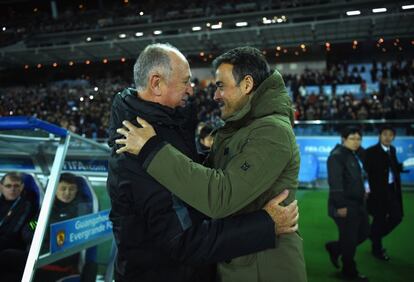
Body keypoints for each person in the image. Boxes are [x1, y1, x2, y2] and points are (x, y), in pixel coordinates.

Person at [107, 43, 299, 282]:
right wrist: (264, 226)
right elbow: (184, 239)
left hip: (260, 268)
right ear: (156, 83)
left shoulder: (268, 131)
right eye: (186, 81)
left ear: (247, 85)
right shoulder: (137, 145)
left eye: (221, 86)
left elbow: (216, 191)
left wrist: (153, 149)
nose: (196, 90)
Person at [325, 127, 369, 281]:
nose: (356, 142)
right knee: (349, 241)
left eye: (359, 139)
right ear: (343, 139)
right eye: (352, 138)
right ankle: (349, 272)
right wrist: (340, 206)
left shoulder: (355, 153)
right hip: (345, 205)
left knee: (364, 233)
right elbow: (335, 184)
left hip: (359, 204)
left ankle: (335, 248)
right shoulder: (336, 156)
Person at [34, 172, 93, 281]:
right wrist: (38, 229)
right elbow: (31, 227)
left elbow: (67, 236)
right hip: (38, 255)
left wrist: (45, 233)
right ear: (55, 189)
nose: (67, 192)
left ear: (77, 191)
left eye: (71, 189)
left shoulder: (81, 210)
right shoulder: (46, 207)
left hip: (61, 259)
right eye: (63, 188)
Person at [365, 125, 404, 261]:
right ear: (379, 136)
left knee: (397, 216)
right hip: (377, 193)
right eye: (385, 134)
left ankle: (373, 235)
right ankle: (377, 249)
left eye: (391, 134)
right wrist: (366, 189)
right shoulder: (371, 152)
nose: (388, 137)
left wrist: (402, 167)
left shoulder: (392, 150)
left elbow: (393, 167)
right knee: (379, 220)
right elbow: (365, 172)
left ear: (394, 137)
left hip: (392, 190)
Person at [0, 172, 36, 281]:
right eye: (8, 186)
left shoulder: (26, 205)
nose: (12, 189)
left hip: (14, 245)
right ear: (1, 186)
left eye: (16, 186)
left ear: (22, 187)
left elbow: (13, 232)